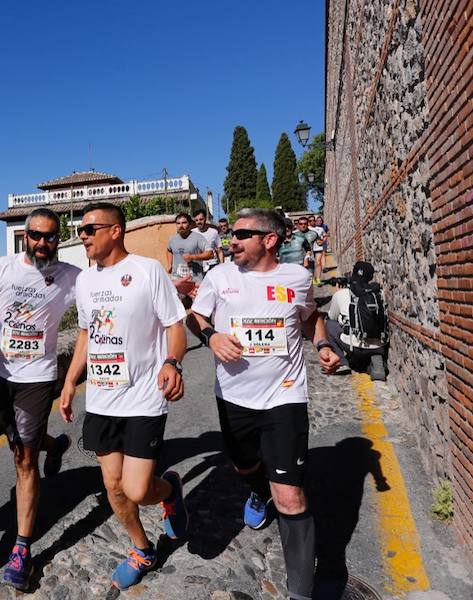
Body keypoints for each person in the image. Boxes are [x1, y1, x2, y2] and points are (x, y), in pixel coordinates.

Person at [190, 207, 341, 600]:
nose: (231, 241)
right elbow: (196, 316)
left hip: (285, 395)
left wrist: (322, 343)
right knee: (244, 465)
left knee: (289, 495)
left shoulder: (298, 277)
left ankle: (300, 593)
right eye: (231, 235)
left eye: (241, 234)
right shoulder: (219, 276)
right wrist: (211, 337)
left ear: (269, 240)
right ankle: (257, 489)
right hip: (234, 397)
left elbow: (309, 318)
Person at [59, 202, 189, 591]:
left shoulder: (147, 271)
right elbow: (85, 334)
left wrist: (172, 363)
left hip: (143, 399)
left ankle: (169, 491)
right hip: (101, 400)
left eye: (89, 229)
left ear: (115, 231)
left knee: (136, 489)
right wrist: (69, 382)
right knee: (114, 488)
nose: (81, 235)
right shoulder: (85, 281)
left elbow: (174, 325)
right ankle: (142, 548)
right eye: (79, 229)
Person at [0, 208, 81, 590]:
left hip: (37, 377)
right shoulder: (4, 267)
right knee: (18, 444)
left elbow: (109, 292)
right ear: (25, 236)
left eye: (50, 236)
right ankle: (56, 445)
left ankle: (21, 550)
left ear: (58, 239)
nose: (42, 242)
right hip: (3, 375)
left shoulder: (69, 277)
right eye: (36, 235)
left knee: (23, 460)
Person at [325, 261, 388, 381]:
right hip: (380, 344)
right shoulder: (379, 293)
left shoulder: (342, 293)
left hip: (355, 347)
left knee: (329, 324)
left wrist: (338, 294)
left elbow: (331, 316)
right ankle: (375, 357)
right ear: (370, 277)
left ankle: (342, 363)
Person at [166, 213, 211, 282]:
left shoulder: (198, 237)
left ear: (190, 225)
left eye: (184, 223)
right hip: (177, 279)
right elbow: (169, 250)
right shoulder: (172, 239)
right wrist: (169, 264)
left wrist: (193, 257)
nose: (181, 226)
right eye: (178, 223)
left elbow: (210, 253)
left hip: (194, 279)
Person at [308, 216, 326, 284]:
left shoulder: (320, 229)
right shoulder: (307, 229)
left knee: (318, 263)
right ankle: (313, 279)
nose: (312, 222)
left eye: (313, 220)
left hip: (318, 247)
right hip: (310, 249)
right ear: (308, 222)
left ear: (315, 221)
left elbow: (325, 236)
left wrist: (323, 241)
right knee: (311, 265)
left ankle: (318, 279)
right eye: (310, 221)